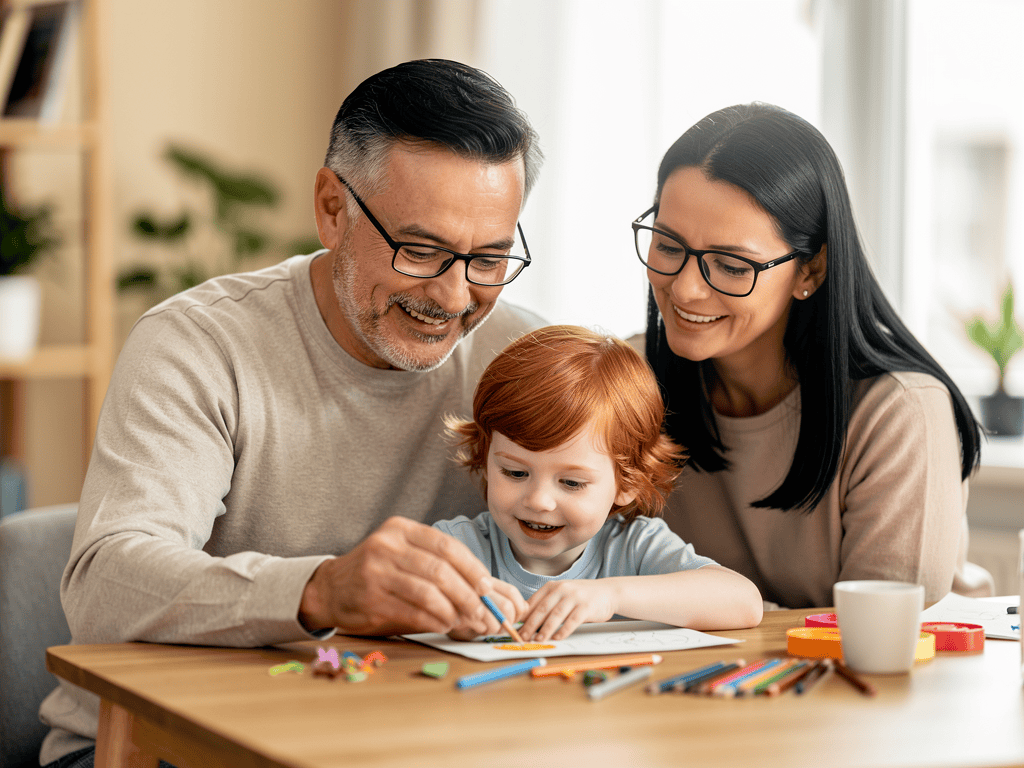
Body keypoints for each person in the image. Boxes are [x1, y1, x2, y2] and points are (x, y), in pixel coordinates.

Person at [38, 59, 544, 768]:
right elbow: (104, 586)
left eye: (489, 258)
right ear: (332, 209)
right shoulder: (198, 344)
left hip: (391, 741)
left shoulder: (524, 355)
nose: (456, 297)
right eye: (421, 249)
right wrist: (322, 590)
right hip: (149, 749)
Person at [633, 102, 986, 610]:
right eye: (668, 245)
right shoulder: (629, 378)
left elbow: (879, 635)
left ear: (810, 272)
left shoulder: (899, 412)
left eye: (731, 265)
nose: (685, 290)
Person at [433, 325, 763, 642]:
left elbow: (744, 603)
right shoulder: (459, 548)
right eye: (515, 473)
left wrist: (610, 596)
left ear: (627, 482)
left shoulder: (634, 548)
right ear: (485, 458)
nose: (539, 501)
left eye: (572, 483)